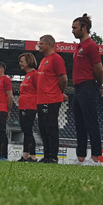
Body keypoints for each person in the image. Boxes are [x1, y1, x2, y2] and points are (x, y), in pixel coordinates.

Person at [71, 14, 103, 165]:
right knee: (79, 124)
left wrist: (98, 86)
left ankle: (96, 158)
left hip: (88, 86)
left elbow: (99, 68)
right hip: (78, 88)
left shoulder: (91, 46)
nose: (72, 31)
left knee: (91, 123)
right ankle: (81, 157)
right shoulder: (79, 47)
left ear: (84, 28)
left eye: (75, 28)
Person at [37, 35, 68, 164]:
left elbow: (63, 78)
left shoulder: (56, 59)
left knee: (51, 127)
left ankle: (53, 156)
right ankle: (46, 155)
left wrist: (59, 93)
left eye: (41, 43)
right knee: (43, 128)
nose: (39, 45)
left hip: (51, 98)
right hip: (41, 99)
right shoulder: (44, 60)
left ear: (49, 44)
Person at [17, 53, 38, 162]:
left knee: (28, 131)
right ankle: (25, 154)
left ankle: (32, 155)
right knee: (25, 130)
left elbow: (41, 88)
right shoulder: (27, 75)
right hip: (23, 106)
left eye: (22, 61)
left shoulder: (34, 74)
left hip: (30, 106)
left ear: (29, 61)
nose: (20, 64)